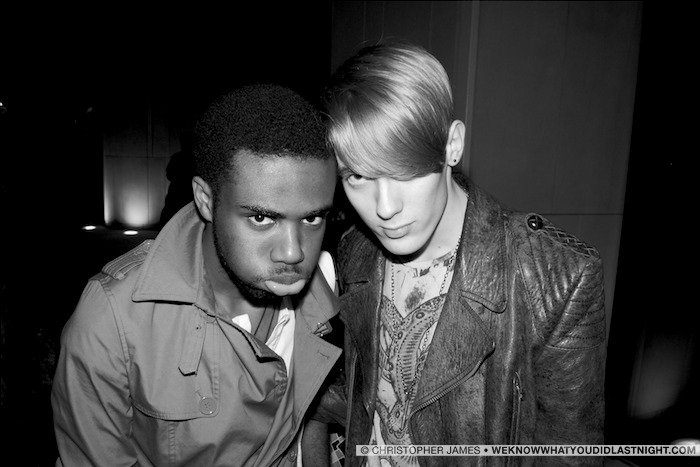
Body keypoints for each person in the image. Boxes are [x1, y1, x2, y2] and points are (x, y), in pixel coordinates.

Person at [322, 42, 607, 465]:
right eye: (358, 177)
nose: (385, 207)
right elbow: (370, 397)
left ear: (452, 145)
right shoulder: (355, 251)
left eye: (406, 171)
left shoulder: (556, 278)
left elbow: (569, 456)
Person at [51, 84, 342, 466]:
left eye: (312, 218)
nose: (293, 252)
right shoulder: (113, 319)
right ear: (206, 200)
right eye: (261, 217)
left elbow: (310, 420)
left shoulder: (323, 291)